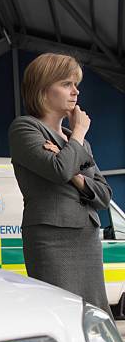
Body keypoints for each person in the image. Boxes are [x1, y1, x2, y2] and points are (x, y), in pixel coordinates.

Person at [8, 52, 113, 317]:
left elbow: (103, 196)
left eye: (76, 84)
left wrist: (76, 175)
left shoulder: (76, 143)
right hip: (52, 238)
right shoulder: (24, 129)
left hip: (87, 238)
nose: (76, 91)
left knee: (93, 313)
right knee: (61, 313)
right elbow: (58, 169)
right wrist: (78, 132)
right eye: (67, 84)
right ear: (43, 89)